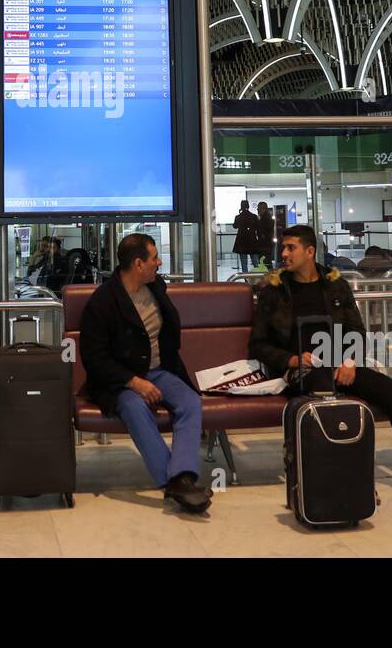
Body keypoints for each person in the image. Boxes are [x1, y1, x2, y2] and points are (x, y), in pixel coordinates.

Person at [249, 225, 392, 509]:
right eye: (283, 248)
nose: (284, 253)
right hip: (298, 371)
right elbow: (257, 345)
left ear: (309, 251)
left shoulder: (335, 285)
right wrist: (292, 359)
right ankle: (351, 483)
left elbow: (356, 332)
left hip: (338, 365)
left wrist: (349, 361)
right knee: (324, 394)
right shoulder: (273, 291)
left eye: (290, 247)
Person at [79, 233, 211, 513]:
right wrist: (133, 381)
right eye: (154, 258)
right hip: (118, 382)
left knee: (189, 402)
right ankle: (174, 482)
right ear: (138, 264)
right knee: (135, 407)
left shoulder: (156, 288)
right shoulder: (103, 303)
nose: (159, 262)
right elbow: (94, 359)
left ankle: (182, 476)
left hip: (160, 371)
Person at [232, 199, 261, 272]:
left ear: (241, 206)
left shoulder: (238, 217)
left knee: (244, 263)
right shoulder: (253, 216)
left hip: (241, 242)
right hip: (252, 241)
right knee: (255, 262)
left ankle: (246, 279)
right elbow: (258, 228)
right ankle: (257, 277)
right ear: (248, 206)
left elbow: (235, 226)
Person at [256, 201, 276, 269]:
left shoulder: (265, 219)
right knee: (267, 262)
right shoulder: (268, 218)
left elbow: (263, 231)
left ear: (263, 209)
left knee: (264, 262)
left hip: (264, 244)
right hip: (267, 244)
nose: (257, 210)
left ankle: (268, 277)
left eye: (258, 208)